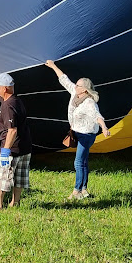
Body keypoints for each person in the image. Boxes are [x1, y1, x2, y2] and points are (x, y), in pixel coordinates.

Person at [44, 60, 110, 200]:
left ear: (84, 89)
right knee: (83, 161)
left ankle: (76, 191)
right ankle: (84, 189)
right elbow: (64, 79)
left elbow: (98, 116)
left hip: (87, 135)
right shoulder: (75, 94)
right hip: (77, 132)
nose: (75, 86)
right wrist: (53, 66)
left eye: (78, 85)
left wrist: (104, 128)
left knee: (78, 162)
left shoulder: (89, 102)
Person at [0, 73, 32, 209]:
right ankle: (15, 203)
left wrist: (5, 151)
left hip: (11, 149)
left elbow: (12, 130)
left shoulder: (7, 107)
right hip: (25, 148)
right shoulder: (15, 100)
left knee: (2, 178)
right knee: (19, 177)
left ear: (5, 88)